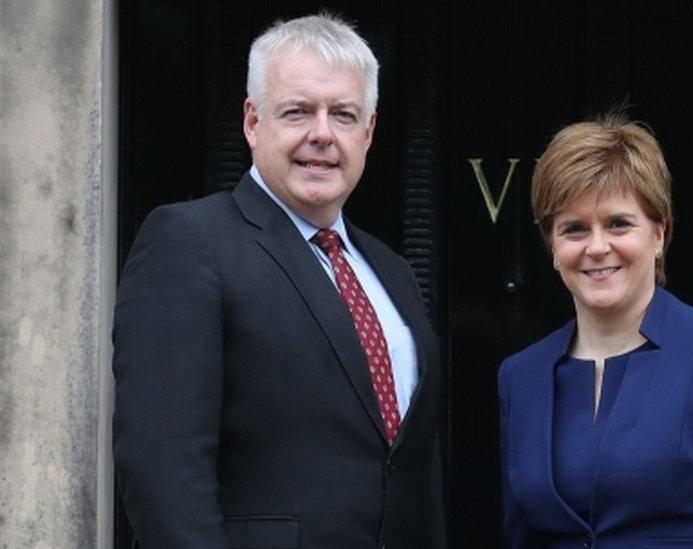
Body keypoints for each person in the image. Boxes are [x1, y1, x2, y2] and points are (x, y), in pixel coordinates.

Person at [113, 12, 445, 548]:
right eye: (297, 112)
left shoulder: (394, 273)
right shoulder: (189, 241)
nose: (322, 134)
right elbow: (161, 470)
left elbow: (413, 478)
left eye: (343, 114)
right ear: (252, 121)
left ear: (369, 131)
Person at [498, 116, 693, 548]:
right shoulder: (520, 376)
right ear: (552, 247)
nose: (597, 247)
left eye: (619, 223)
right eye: (575, 229)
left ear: (659, 234)